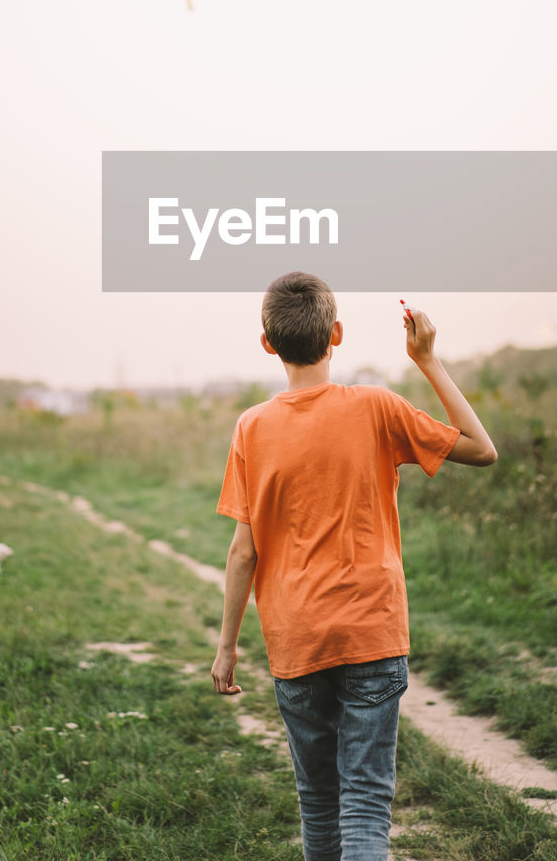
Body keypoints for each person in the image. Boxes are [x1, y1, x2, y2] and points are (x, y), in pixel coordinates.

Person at [211, 271, 497, 861]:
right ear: (336, 334)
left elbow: (244, 551)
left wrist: (227, 646)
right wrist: (427, 360)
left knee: (318, 802)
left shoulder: (251, 427)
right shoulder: (376, 407)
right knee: (365, 804)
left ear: (268, 343)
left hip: (296, 641)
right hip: (372, 630)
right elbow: (481, 449)